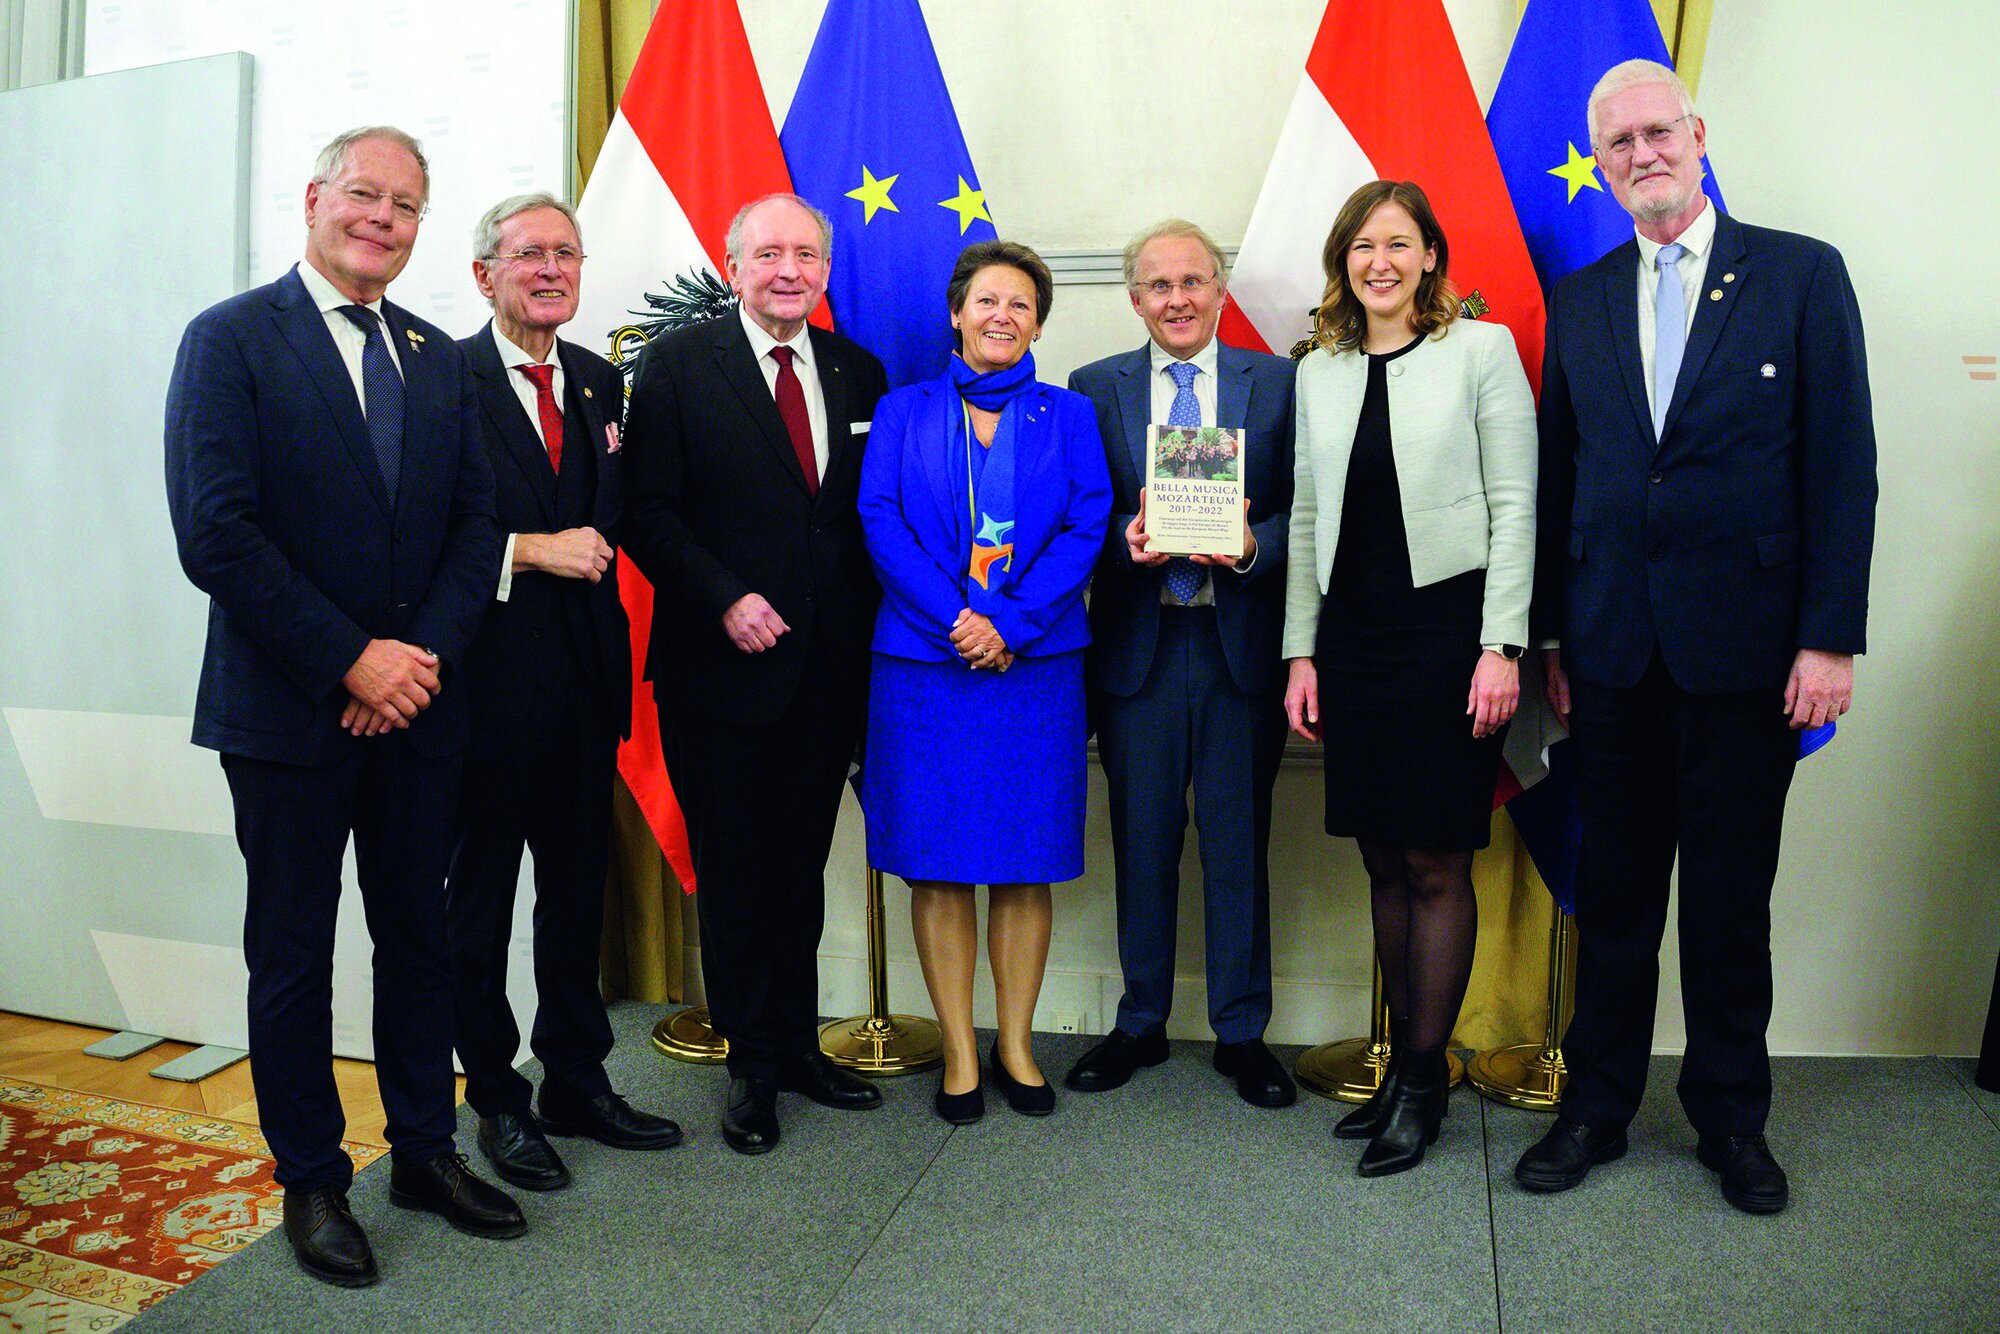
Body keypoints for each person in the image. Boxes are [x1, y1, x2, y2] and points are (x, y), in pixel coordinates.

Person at [1518, 60, 1877, 1214]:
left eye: (1655, 132)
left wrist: (1828, 639)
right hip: (1612, 655)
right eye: (1616, 142)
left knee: (1729, 902)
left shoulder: (1799, 274)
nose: (1638, 156)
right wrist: (1551, 636)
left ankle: (1732, 1120)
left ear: (1697, 133)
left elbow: (1841, 471)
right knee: (1612, 897)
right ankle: (1594, 1108)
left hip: (1747, 657)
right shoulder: (1577, 298)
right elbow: (1559, 476)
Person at [164, 126, 520, 1287]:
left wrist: (411, 659)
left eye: (407, 204)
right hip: (287, 715)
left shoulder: (436, 353)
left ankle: (422, 1148)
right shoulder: (229, 339)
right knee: (293, 953)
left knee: (420, 938)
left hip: (421, 708)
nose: (384, 217)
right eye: (364, 194)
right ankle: (311, 1178)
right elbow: (216, 532)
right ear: (314, 199)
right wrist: (350, 661)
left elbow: (478, 526)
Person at [621, 193, 890, 1155]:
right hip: (717, 666)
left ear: (825, 269)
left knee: (800, 868)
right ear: (732, 265)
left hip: (824, 672)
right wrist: (722, 598)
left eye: (806, 254)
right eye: (768, 253)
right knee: (735, 873)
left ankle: (798, 1046)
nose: (788, 269)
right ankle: (751, 1068)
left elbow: (857, 520)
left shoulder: (859, 369)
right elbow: (645, 510)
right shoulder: (678, 364)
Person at [1282, 180, 1537, 1176]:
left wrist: (1500, 644)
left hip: (1447, 634)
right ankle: (1398, 1064)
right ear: (1341, 261)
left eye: (1397, 243)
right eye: (1359, 245)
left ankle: (1425, 1080)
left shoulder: (1480, 351)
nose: (1377, 260)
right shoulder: (1320, 369)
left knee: (1435, 860)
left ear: (1429, 255)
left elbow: (1516, 502)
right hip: (1352, 638)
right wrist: (1300, 650)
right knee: (1381, 858)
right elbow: (1305, 516)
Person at [447, 192, 681, 1194]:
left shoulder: (598, 383)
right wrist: (521, 550)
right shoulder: (437, 382)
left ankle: (575, 1078)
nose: (550, 269)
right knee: (479, 906)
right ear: (483, 273)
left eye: (566, 253)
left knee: (575, 897)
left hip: (588, 693)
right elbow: (412, 531)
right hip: (479, 697)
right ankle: (496, 1096)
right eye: (528, 253)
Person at [858, 240, 1110, 1123]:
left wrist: (1008, 623)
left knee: (1023, 863)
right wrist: (961, 621)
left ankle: (1016, 1044)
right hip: (926, 669)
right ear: (957, 314)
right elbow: (880, 522)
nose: (1002, 316)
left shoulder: (1070, 416)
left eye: (1021, 305)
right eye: (986, 301)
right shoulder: (902, 411)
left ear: (1039, 320)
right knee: (937, 864)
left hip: (1033, 669)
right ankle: (959, 1053)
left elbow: (1088, 524)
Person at [1065, 220, 1298, 1108]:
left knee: (1238, 848)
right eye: (1158, 286)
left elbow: (1304, 514)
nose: (1177, 299)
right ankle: (1140, 1022)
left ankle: (1243, 1032)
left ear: (1219, 287)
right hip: (1141, 651)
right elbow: (1074, 520)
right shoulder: (1094, 390)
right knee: (1144, 842)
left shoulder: (1277, 383)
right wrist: (1119, 545)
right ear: (1134, 299)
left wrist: (1249, 544)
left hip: (1239, 648)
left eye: (1193, 281)